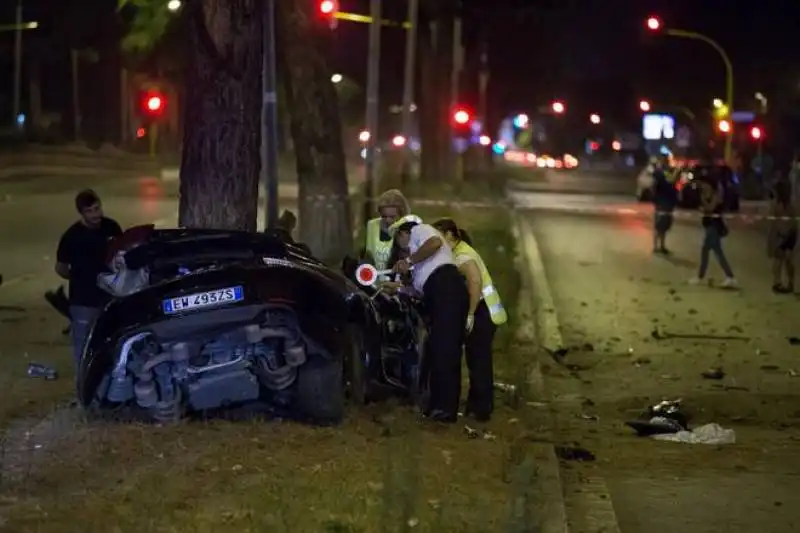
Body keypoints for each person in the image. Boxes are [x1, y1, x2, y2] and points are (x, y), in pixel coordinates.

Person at [390, 214, 469, 423]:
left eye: (399, 242)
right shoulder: (420, 263)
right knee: (439, 349)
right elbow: (418, 290)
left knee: (446, 349)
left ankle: (445, 409)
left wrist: (408, 261)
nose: (402, 249)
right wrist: (399, 286)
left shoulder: (420, 230)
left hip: (447, 287)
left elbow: (434, 243)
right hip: (438, 293)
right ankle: (438, 405)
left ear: (403, 233)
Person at [433, 218, 508, 422]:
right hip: (484, 312)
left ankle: (482, 410)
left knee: (479, 362)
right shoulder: (458, 251)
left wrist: (470, 314)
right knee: (477, 361)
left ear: (449, 235)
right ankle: (477, 405)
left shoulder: (462, 255)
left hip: (483, 313)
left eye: (438, 236)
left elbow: (475, 281)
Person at [55, 189, 123, 373]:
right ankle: (84, 391)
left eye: (97, 208)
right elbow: (61, 268)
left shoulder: (111, 227)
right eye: (90, 211)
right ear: (81, 213)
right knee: (83, 349)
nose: (96, 214)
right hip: (83, 301)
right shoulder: (71, 237)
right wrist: (80, 278)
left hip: (110, 297)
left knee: (112, 344)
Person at [690, 178, 737, 287]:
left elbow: (710, 208)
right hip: (709, 226)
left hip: (714, 227)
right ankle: (729, 277)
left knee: (709, 251)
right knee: (714, 251)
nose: (704, 187)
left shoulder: (716, 196)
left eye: (706, 184)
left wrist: (703, 203)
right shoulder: (706, 194)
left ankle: (728, 277)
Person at [363, 189, 410, 272]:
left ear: (401, 214)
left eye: (392, 217)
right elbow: (367, 254)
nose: (388, 220)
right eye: (384, 216)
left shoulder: (407, 229)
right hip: (372, 275)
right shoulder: (372, 225)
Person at [767, 179, 797, 293]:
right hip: (785, 235)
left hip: (785, 235)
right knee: (782, 260)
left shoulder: (781, 204)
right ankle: (782, 282)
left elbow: (774, 220)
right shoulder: (785, 204)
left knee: (782, 260)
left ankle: (781, 282)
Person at [651, 159, 678, 254]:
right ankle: (656, 246)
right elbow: (656, 187)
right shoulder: (660, 175)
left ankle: (662, 245)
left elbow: (673, 185)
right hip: (662, 202)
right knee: (659, 225)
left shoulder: (667, 173)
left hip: (668, 202)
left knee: (665, 226)